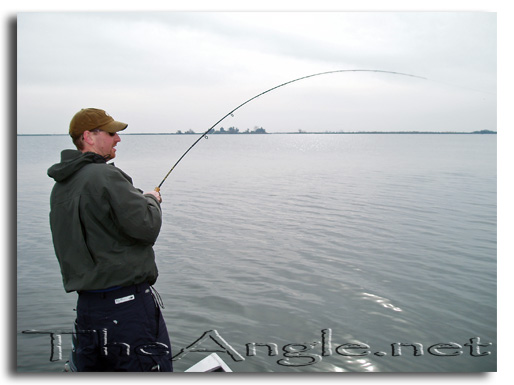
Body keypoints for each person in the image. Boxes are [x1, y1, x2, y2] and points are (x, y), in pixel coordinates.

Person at [47, 108, 173, 371]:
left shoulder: (61, 187)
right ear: (88, 137)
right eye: (112, 133)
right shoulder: (104, 175)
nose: (118, 139)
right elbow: (147, 227)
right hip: (127, 312)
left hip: (88, 310)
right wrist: (151, 199)